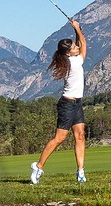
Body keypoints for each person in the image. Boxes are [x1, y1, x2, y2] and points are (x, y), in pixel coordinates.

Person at [31, 16, 87, 184]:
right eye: (73, 47)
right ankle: (38, 167)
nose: (77, 47)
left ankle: (81, 172)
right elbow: (83, 44)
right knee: (60, 138)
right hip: (67, 105)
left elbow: (80, 43)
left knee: (80, 136)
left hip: (77, 104)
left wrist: (75, 31)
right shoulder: (74, 62)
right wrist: (76, 28)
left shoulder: (73, 59)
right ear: (69, 52)